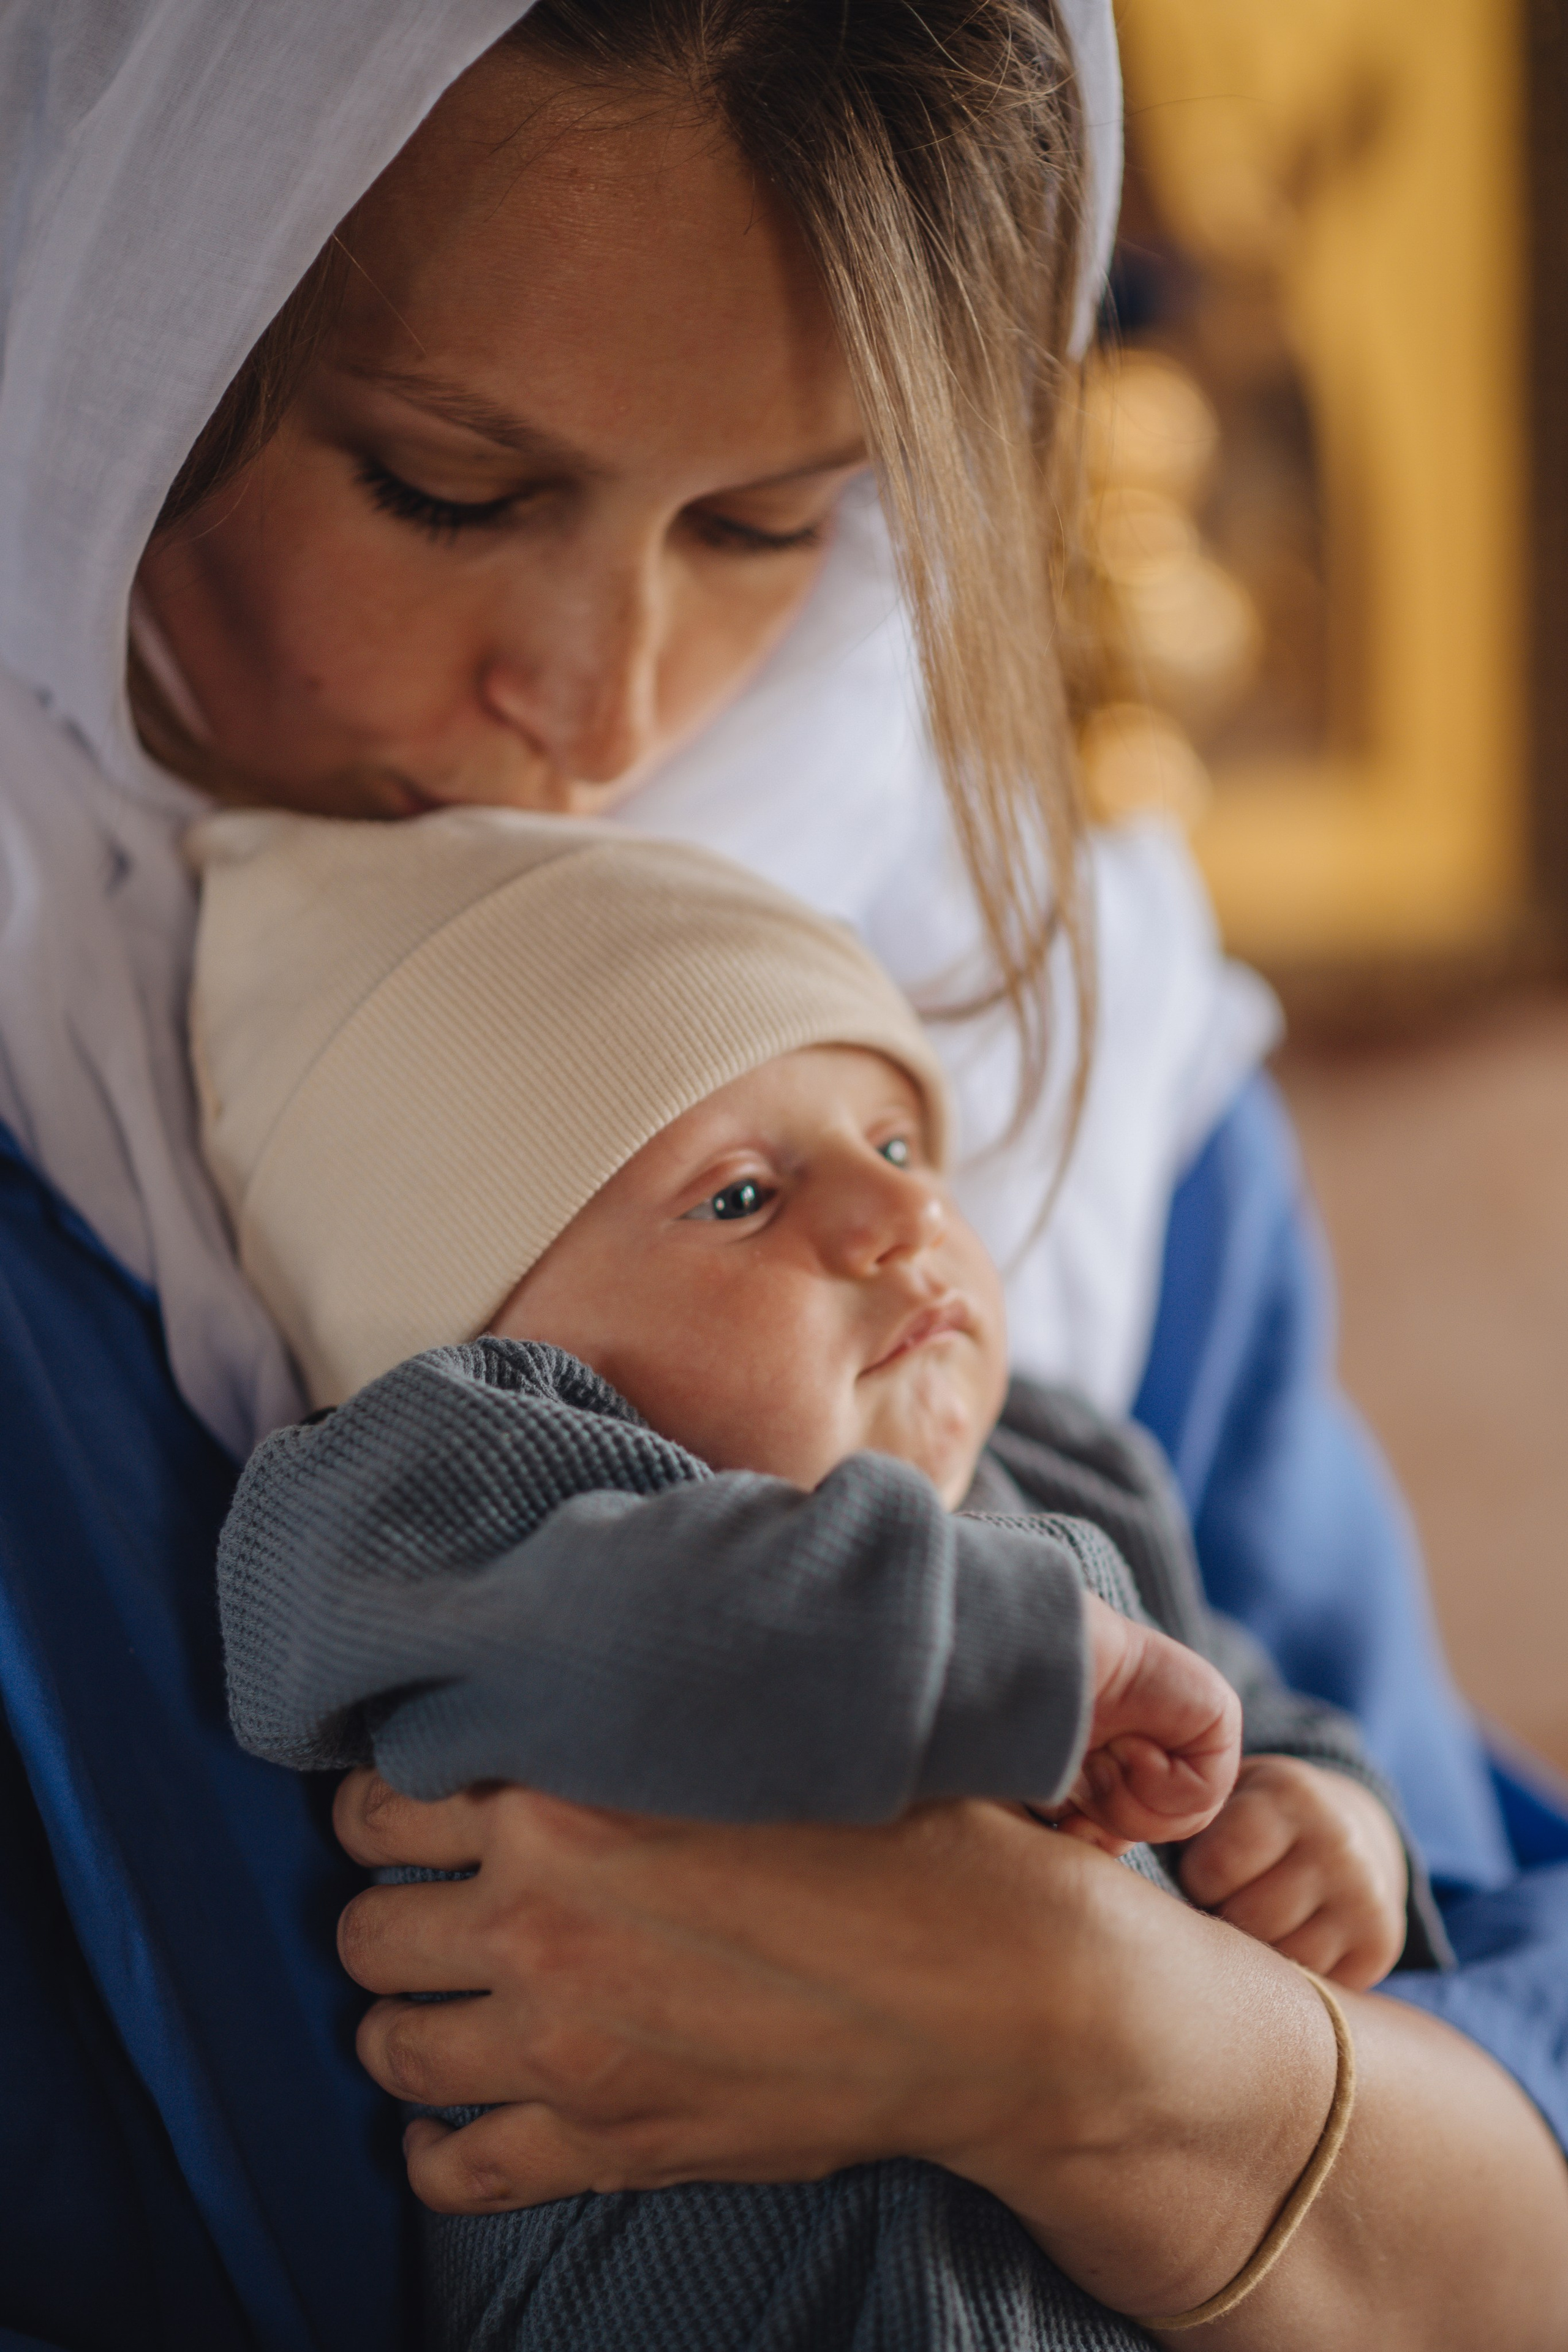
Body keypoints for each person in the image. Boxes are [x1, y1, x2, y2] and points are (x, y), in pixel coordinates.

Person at [0, 1, 1566, 2347]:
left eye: (770, 520)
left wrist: (1098, 2036)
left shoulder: (1074, 1061)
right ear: (127, 320)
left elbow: (1499, 2088)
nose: (611, 705)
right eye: (446, 485)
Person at [202, 806, 1418, 2345]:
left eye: (898, 1144)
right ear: (491, 1345)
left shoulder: (1067, 1467)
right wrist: (1005, 1639)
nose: (902, 1215)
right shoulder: (436, 1497)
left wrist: (1319, 1823)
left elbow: (1239, 1697)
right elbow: (666, 1626)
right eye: (741, 1197)